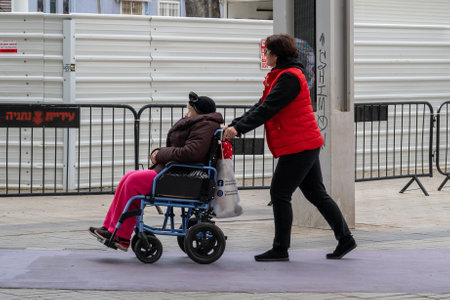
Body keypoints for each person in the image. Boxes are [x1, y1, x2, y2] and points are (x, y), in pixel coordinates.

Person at [223, 34, 356, 262]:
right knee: (316, 193)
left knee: (280, 193)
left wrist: (239, 129)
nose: (265, 56)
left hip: (300, 145)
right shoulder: (281, 76)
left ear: (276, 54)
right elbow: (261, 105)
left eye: (267, 52)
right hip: (304, 143)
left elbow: (268, 109)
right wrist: (236, 124)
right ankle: (345, 239)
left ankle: (280, 248)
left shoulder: (290, 78)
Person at [89, 92, 223, 251]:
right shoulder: (202, 123)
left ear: (199, 113)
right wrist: (161, 153)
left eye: (189, 110)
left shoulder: (205, 125)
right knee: (128, 177)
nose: (186, 114)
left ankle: (121, 236)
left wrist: (160, 154)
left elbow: (191, 153)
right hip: (175, 171)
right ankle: (110, 228)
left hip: (183, 175)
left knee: (133, 182)